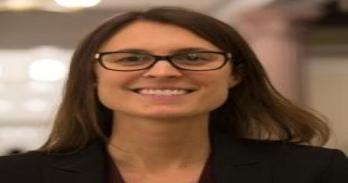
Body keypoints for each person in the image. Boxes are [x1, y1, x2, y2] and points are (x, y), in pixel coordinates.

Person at [0, 7, 347, 183]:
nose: (163, 71)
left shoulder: (312, 172)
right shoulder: (17, 176)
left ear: (235, 75)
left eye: (193, 57)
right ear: (92, 76)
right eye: (131, 58)